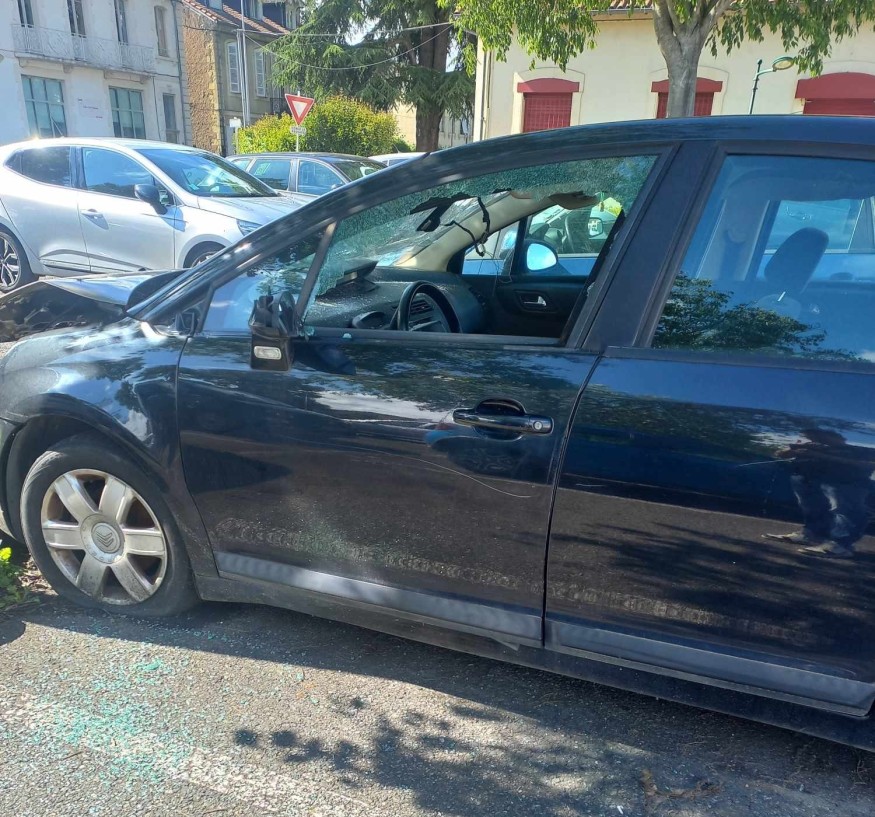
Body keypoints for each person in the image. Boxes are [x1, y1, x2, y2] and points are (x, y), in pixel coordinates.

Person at [765, 429, 874, 558]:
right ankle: (812, 534)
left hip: (844, 479)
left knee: (844, 509)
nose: (815, 441)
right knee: (811, 506)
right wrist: (792, 450)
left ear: (837, 438)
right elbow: (779, 454)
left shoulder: (858, 448)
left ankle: (840, 545)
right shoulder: (807, 444)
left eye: (819, 438)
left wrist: (818, 454)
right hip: (806, 476)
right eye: (811, 438)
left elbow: (867, 464)